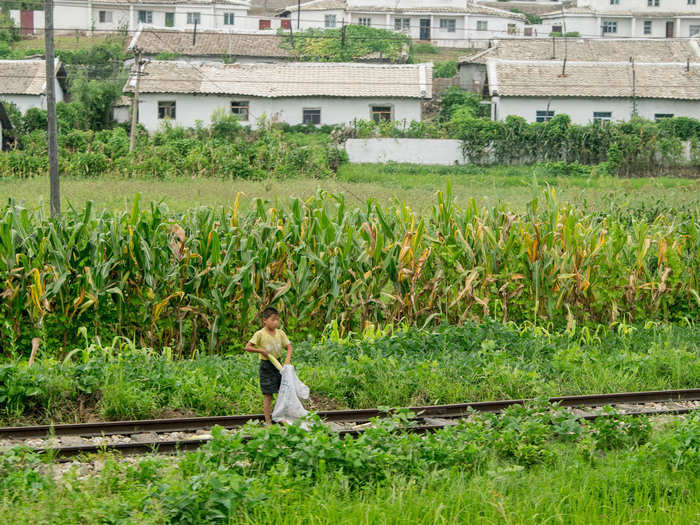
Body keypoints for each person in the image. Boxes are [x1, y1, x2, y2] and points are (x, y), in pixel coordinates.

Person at [244, 306, 293, 425]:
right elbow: (247, 347)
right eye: (273, 320)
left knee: (283, 392)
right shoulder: (259, 334)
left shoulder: (280, 333)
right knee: (268, 395)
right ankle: (268, 421)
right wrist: (261, 351)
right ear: (265, 320)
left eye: (277, 320)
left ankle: (282, 417)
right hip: (266, 366)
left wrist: (287, 360)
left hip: (279, 364)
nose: (276, 322)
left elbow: (289, 347)